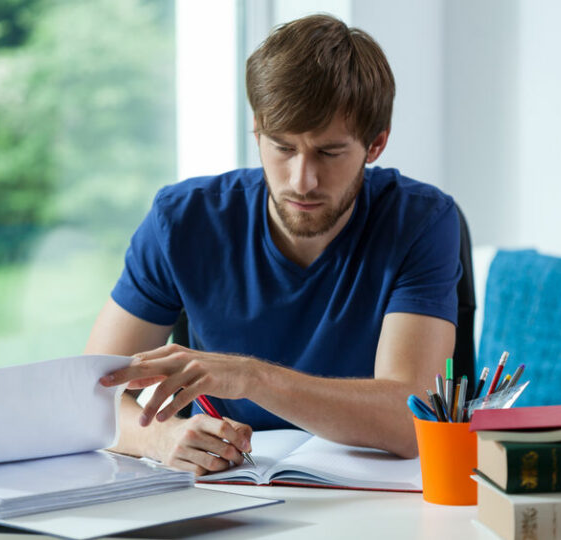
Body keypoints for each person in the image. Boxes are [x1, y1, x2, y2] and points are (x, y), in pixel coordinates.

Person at [87, 14, 461, 475]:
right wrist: (161, 438)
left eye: (328, 152)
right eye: (282, 147)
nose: (302, 181)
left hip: (372, 498)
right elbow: (88, 396)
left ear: (376, 145)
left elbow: (412, 420)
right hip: (223, 491)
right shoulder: (181, 220)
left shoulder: (422, 221)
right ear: (257, 132)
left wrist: (252, 378)